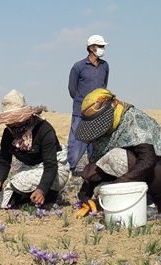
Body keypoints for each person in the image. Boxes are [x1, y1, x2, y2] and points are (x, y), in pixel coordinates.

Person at [74, 88, 161, 218]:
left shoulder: (134, 119)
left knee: (114, 157)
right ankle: (132, 201)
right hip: (135, 176)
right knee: (100, 188)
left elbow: (147, 160)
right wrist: (85, 194)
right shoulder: (103, 132)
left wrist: (118, 186)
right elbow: (97, 167)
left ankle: (147, 203)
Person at [0, 90, 70, 209]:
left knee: (19, 181)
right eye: (10, 122)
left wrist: (42, 189)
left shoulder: (44, 129)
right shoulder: (8, 133)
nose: (13, 125)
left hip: (56, 169)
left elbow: (51, 165)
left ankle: (48, 194)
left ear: (26, 116)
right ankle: (33, 198)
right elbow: (4, 161)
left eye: (16, 120)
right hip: (30, 170)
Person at [67, 34, 109, 173]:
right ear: (91, 48)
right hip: (81, 111)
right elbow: (72, 89)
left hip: (99, 111)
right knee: (77, 141)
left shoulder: (105, 66)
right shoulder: (78, 66)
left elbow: (104, 86)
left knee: (96, 142)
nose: (103, 49)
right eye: (100, 46)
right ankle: (69, 168)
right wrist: (83, 102)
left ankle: (94, 169)